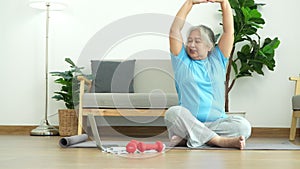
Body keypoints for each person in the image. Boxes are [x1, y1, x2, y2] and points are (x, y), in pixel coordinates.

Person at [165, 0, 251, 149]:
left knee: (244, 126)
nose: (191, 45)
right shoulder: (182, 60)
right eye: (189, 41)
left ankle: (190, 139)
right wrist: (190, 2)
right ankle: (218, 141)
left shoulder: (218, 59)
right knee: (173, 113)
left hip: (217, 123)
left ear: (210, 46)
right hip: (187, 122)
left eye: (197, 41)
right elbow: (174, 31)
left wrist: (224, 3)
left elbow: (228, 32)